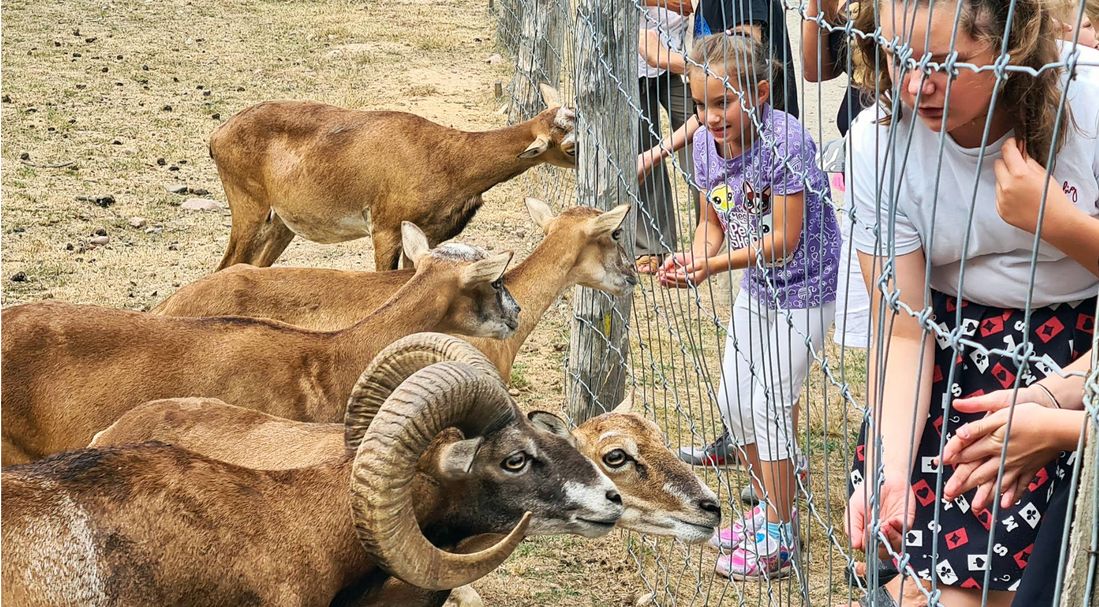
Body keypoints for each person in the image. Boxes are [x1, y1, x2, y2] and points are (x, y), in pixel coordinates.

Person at [844, 1, 1099, 605]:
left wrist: (1059, 226)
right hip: (953, 353)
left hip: (1079, 349)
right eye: (897, 57)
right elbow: (904, 330)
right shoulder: (878, 143)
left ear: (1010, 43)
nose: (914, 86)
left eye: (943, 64)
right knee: (928, 586)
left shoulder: (1087, 106)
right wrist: (893, 469)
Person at [644, 31, 841, 579]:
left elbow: (784, 240)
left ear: (757, 92)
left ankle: (780, 530)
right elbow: (713, 224)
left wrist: (716, 264)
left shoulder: (787, 143)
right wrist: (693, 258)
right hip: (757, 284)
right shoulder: (707, 146)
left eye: (723, 103)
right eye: (702, 105)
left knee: (771, 402)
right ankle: (766, 502)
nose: (709, 117)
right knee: (735, 401)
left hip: (806, 286)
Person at [635, 2, 696, 265]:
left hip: (682, 59)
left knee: (702, 140)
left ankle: (718, 229)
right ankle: (652, 244)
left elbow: (689, 5)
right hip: (632, 59)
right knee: (642, 149)